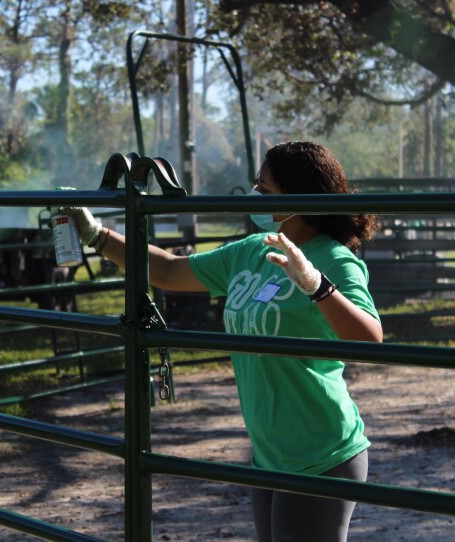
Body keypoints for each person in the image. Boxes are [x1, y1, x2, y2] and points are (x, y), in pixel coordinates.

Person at [54, 141, 382, 542]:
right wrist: (97, 235)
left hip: (320, 453)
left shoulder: (333, 259)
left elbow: (371, 337)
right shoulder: (251, 251)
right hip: (269, 454)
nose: (256, 195)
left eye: (266, 187)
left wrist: (316, 285)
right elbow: (171, 271)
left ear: (298, 195)